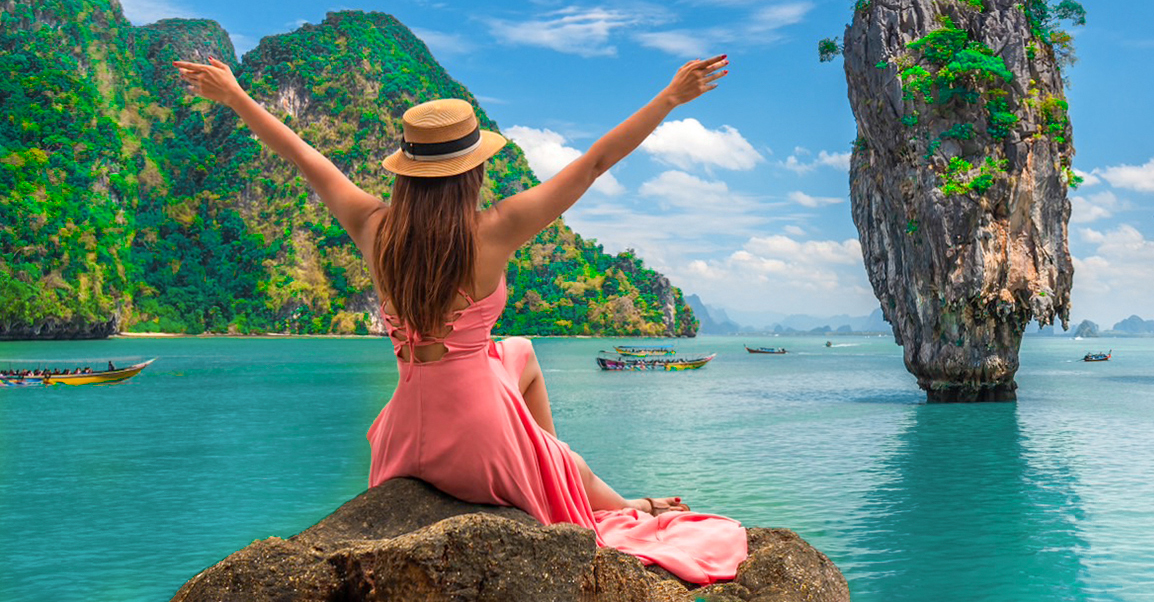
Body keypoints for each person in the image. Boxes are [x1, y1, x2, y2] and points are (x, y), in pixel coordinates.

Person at [173, 53, 747, 584]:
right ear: (472, 169)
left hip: (404, 439)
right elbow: (594, 162)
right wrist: (670, 97)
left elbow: (304, 156)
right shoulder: (494, 229)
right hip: (478, 440)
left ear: (408, 168)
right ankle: (594, 489)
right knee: (546, 432)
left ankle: (564, 468)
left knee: (518, 349)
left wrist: (236, 96)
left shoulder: (373, 227)